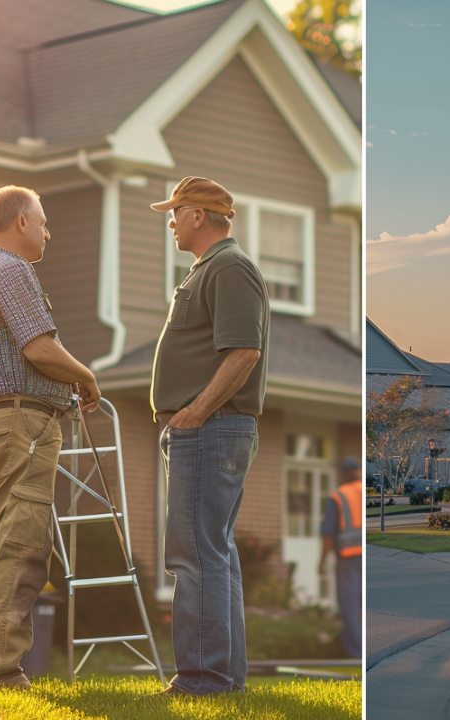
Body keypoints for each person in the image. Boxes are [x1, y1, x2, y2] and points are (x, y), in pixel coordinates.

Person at [0, 185, 100, 689]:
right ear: (20, 222)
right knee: (23, 549)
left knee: (7, 548)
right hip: (22, 424)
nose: (47, 230)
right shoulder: (11, 269)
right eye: (41, 220)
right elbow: (40, 349)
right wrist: (85, 376)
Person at [149, 177, 270, 696]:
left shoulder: (229, 267)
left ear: (199, 214)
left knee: (194, 553)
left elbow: (244, 352)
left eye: (175, 211)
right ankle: (223, 678)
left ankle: (203, 678)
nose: (170, 221)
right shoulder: (212, 268)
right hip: (209, 429)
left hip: (212, 429)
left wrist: (195, 412)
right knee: (211, 553)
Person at [319, 457, 363, 659]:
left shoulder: (337, 497)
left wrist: (322, 561)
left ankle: (356, 653)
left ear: (343, 473)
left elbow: (328, 533)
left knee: (350, 606)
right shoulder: (364, 490)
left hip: (348, 558)